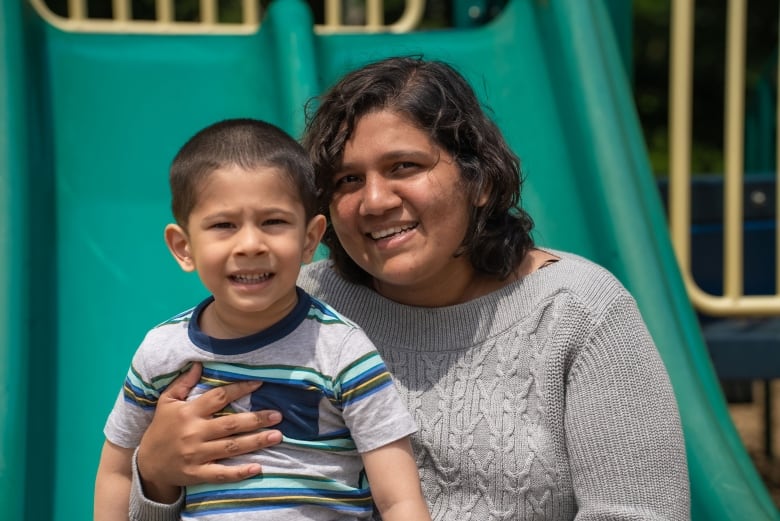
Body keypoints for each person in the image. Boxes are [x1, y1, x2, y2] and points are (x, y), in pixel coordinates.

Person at [127, 57, 691, 520]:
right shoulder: (287, 307)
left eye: (404, 166)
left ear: (481, 181)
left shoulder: (579, 311)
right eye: (348, 180)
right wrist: (155, 477)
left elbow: (638, 513)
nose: (375, 201)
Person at [93, 118, 432, 521]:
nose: (251, 244)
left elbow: (399, 499)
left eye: (273, 222)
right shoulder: (162, 352)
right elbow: (116, 471)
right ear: (183, 247)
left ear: (309, 240)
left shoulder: (342, 349)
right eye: (224, 225)